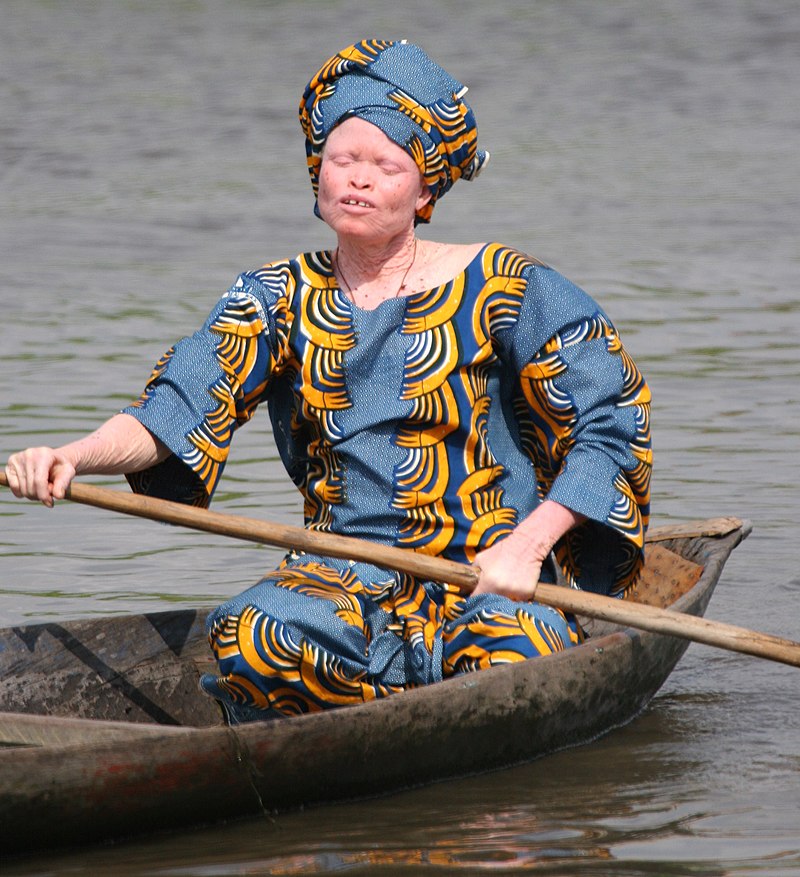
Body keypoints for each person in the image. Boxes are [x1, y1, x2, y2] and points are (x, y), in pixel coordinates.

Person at [4, 39, 651, 724]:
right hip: (342, 574)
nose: (359, 179)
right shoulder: (276, 296)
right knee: (254, 637)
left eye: (386, 165)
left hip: (489, 573)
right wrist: (69, 457)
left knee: (513, 659)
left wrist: (528, 547)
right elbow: (174, 409)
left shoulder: (507, 285)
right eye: (343, 159)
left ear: (427, 187)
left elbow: (610, 423)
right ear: (318, 171)